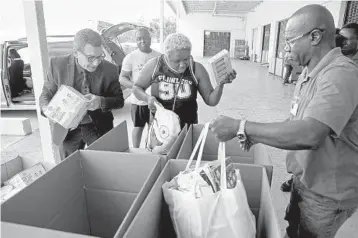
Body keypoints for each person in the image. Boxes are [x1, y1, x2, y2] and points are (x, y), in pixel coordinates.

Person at [210, 5, 358, 238]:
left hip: (327, 193)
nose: (285, 47)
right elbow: (295, 120)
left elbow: (310, 133)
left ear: (315, 37)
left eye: (289, 40)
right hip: (305, 179)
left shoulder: (341, 74)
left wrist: (242, 126)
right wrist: (253, 135)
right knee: (294, 229)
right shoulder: (309, 73)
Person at [40, 28, 124, 157]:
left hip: (98, 126)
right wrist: (48, 110)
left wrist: (100, 102)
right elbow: (45, 95)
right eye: (90, 58)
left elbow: (119, 100)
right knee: (68, 168)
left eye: (100, 56)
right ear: (76, 52)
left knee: (104, 165)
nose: (96, 63)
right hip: (67, 130)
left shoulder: (110, 69)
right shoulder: (57, 65)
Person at [132, 33, 236, 129]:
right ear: (167, 57)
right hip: (160, 128)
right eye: (177, 61)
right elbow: (137, 88)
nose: (182, 64)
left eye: (186, 59)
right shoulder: (154, 65)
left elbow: (211, 100)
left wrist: (220, 84)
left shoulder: (197, 69)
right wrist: (147, 98)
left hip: (187, 128)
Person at [119, 28, 161, 148]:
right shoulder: (130, 57)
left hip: (155, 101)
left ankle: (151, 150)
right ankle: (136, 151)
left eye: (145, 38)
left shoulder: (159, 57)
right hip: (138, 102)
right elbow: (122, 78)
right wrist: (137, 87)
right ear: (136, 41)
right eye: (139, 39)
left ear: (150, 39)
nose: (142, 41)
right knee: (138, 128)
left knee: (154, 129)